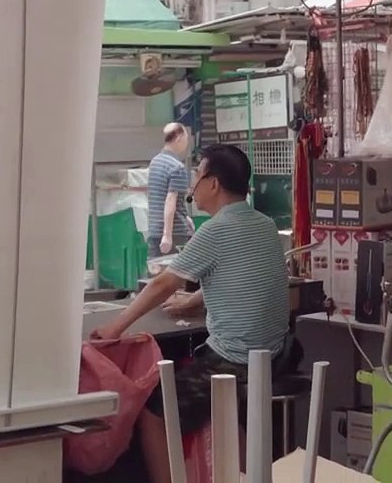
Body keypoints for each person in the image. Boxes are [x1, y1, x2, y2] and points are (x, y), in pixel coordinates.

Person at [91, 144, 294, 483]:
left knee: (155, 413)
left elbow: (163, 285)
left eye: (197, 175)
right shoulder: (264, 224)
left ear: (213, 183)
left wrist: (115, 325)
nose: (192, 186)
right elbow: (241, 272)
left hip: (234, 361)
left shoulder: (214, 230)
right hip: (273, 355)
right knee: (225, 411)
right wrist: (199, 297)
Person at [147, 122, 194, 257]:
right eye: (186, 137)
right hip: (174, 233)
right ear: (178, 137)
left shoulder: (155, 162)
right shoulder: (177, 167)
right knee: (175, 275)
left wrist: (185, 217)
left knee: (156, 272)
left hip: (155, 229)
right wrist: (167, 235)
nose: (186, 142)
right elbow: (170, 200)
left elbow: (159, 196)